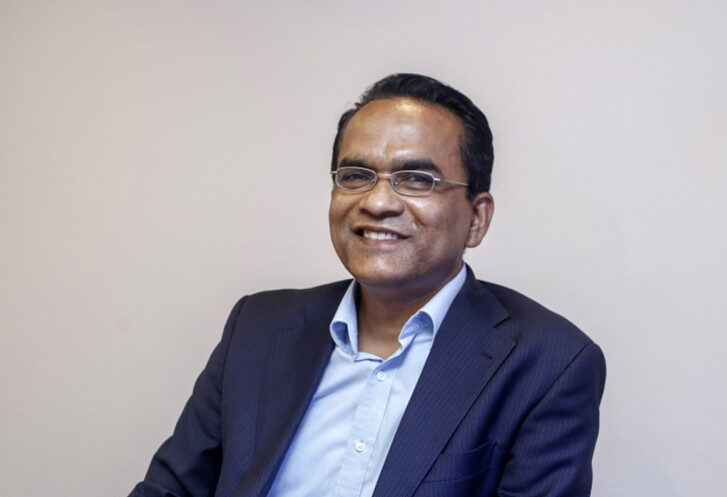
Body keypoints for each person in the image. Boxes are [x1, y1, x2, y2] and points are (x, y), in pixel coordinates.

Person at [129, 73, 606, 497]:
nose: (377, 203)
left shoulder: (548, 363)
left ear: (477, 219)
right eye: (356, 176)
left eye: (416, 179)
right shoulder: (257, 328)